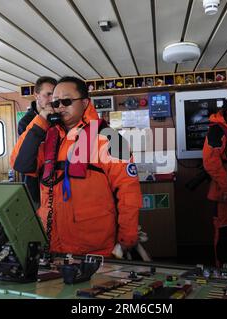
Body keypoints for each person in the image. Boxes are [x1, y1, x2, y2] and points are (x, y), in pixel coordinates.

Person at [10, 76, 142, 257]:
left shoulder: (111, 138)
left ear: (85, 102)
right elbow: (21, 164)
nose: (60, 106)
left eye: (67, 101)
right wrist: (41, 120)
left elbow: (129, 192)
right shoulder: (47, 138)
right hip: (52, 247)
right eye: (55, 102)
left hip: (95, 251)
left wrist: (128, 237)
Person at [203, 95, 227, 267]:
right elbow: (210, 162)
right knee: (224, 231)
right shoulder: (217, 131)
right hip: (223, 191)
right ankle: (222, 269)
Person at [17, 76, 57, 208]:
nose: (52, 99)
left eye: (54, 95)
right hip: (35, 186)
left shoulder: (58, 118)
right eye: (48, 94)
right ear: (36, 95)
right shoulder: (26, 122)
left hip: (58, 184)